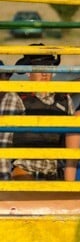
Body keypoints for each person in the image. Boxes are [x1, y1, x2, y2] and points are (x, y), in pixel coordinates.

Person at [0, 49, 72, 180]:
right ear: (28, 72)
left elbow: (72, 140)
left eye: (49, 67)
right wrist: (4, 180)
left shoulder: (65, 98)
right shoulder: (15, 97)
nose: (44, 73)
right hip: (25, 172)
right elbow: (4, 142)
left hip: (56, 174)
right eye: (39, 68)